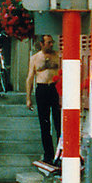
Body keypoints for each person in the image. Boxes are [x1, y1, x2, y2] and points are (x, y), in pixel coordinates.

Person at [25, 34, 62, 165]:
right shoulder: (35, 58)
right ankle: (48, 154)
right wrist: (28, 98)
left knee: (58, 122)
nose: (51, 45)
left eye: (52, 42)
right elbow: (30, 78)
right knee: (44, 123)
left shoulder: (58, 56)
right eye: (48, 43)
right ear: (41, 44)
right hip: (41, 89)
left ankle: (60, 153)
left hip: (55, 88)